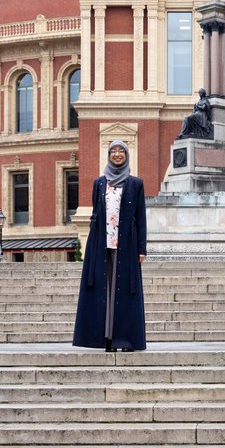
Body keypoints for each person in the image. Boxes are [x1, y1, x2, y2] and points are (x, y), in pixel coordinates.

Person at [73, 140, 148, 352]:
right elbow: (95, 215)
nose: (117, 154)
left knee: (123, 291)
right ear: (108, 155)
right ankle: (106, 338)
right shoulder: (99, 183)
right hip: (101, 243)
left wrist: (142, 248)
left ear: (126, 155)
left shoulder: (135, 184)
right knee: (103, 291)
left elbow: (141, 217)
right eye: (113, 151)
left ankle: (125, 340)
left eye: (121, 151)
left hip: (128, 244)